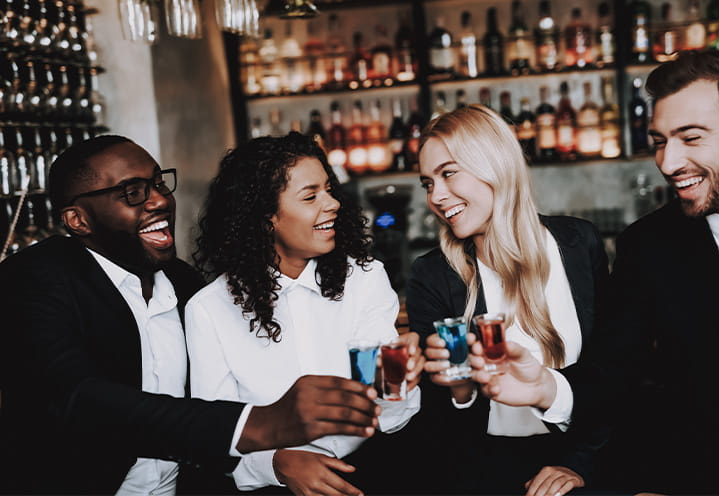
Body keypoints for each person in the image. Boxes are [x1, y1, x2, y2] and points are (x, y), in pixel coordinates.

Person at [0, 135, 383, 494]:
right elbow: (78, 398)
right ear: (78, 220)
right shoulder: (33, 278)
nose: (159, 201)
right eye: (133, 192)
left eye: (159, 183)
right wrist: (256, 424)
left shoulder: (185, 285)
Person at [473, 49, 719, 494]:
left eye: (690, 139)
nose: (668, 163)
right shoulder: (650, 245)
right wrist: (546, 388)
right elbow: (616, 371)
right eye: (659, 141)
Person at [185, 132, 423, 495]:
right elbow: (216, 435)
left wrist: (396, 385)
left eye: (329, 190)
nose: (332, 204)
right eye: (311, 196)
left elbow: (391, 420)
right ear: (265, 218)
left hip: (374, 468)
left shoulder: (364, 278)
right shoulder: (209, 310)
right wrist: (276, 464)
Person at [404, 104, 609, 495]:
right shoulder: (432, 275)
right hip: (484, 470)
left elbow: (614, 373)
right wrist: (459, 391)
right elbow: (434, 430)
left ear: (495, 166)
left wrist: (579, 462)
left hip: (585, 457)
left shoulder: (579, 243)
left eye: (448, 174)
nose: (437, 196)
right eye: (427, 183)